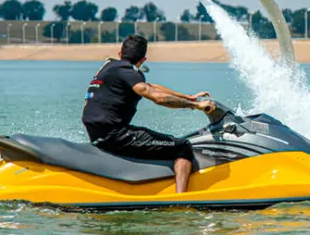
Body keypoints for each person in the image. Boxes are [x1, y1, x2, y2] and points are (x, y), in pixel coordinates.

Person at [81, 34, 216, 194]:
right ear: (143, 60)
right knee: (182, 147)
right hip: (116, 137)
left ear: (120, 53)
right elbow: (157, 97)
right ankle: (181, 199)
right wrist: (196, 105)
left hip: (97, 134)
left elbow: (150, 86)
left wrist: (186, 97)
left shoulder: (110, 67)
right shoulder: (127, 72)